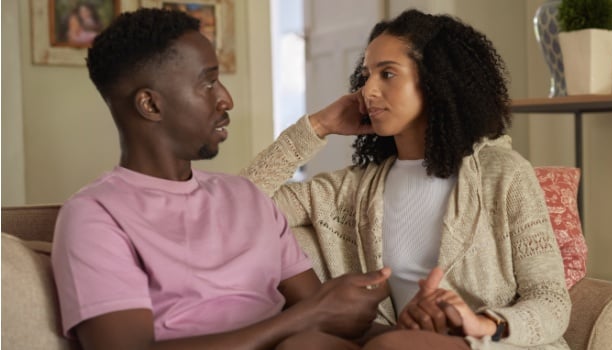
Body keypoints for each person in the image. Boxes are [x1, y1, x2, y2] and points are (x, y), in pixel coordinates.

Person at [51, 8, 391, 350]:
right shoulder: (95, 215)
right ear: (150, 105)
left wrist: (414, 323)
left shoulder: (245, 195)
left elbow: (331, 321)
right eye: (208, 82)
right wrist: (303, 318)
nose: (226, 98)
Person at [242, 9, 571, 350]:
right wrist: (318, 126)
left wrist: (484, 323)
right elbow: (238, 207)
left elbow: (551, 299)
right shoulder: (351, 190)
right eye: (366, 76)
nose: (367, 91)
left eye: (387, 74)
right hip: (395, 339)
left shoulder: (504, 174)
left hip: (493, 344)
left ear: (435, 82)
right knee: (303, 347)